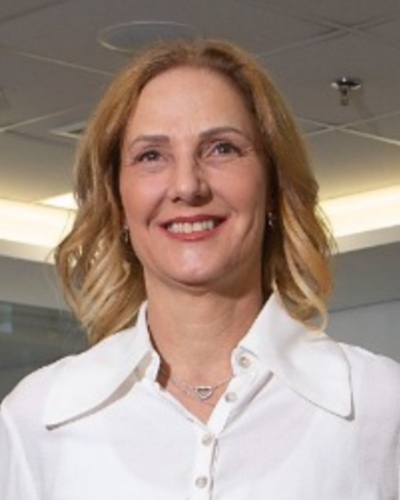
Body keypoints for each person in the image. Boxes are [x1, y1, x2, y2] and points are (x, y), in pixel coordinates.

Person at [0, 39, 399, 500]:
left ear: (273, 186)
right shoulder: (38, 418)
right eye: (151, 155)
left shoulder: (378, 405)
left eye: (222, 149)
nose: (187, 186)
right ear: (117, 199)